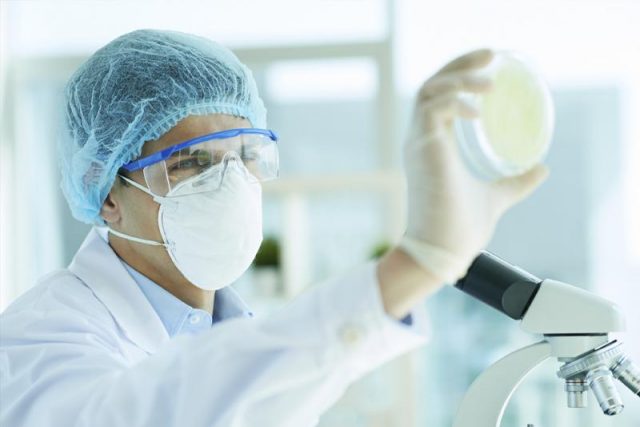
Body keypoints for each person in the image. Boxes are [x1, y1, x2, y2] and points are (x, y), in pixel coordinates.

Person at [0, 29, 548, 426]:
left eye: (245, 155)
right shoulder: (39, 338)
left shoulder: (226, 327)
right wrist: (416, 264)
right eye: (190, 162)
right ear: (108, 195)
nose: (230, 183)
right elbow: (150, 411)